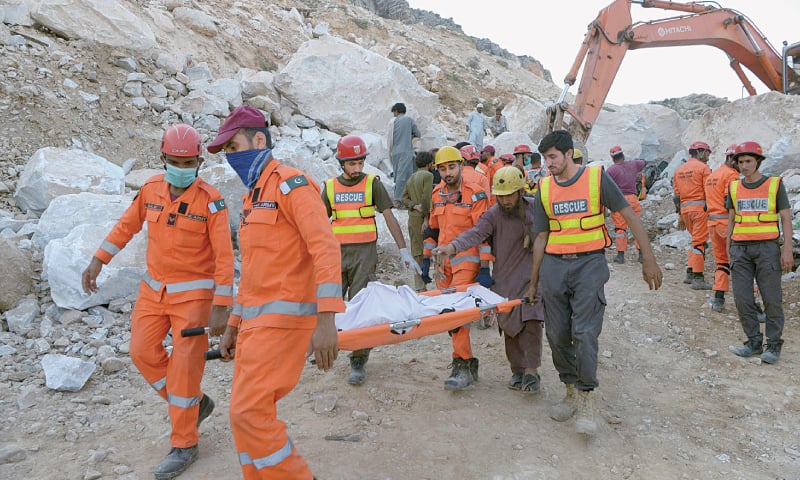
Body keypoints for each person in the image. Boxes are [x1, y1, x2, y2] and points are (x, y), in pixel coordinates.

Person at [81, 124, 234, 479]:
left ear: (199, 161)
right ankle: (194, 405)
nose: (182, 167)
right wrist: (97, 260)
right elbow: (125, 226)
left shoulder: (212, 202)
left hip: (195, 300)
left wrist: (222, 307)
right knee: (142, 352)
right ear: (162, 158)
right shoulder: (150, 189)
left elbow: (225, 258)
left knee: (183, 371)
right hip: (153, 294)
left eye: (189, 161)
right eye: (175, 160)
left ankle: (184, 444)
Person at [208, 105, 346, 479]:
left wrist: (326, 318)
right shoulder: (253, 198)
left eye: (234, 147)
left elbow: (325, 248)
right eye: (226, 153)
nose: (231, 157)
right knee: (245, 416)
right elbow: (253, 272)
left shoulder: (292, 184)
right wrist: (235, 323)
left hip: (285, 325)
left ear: (258, 140)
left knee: (248, 413)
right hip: (257, 327)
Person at [529, 130, 662, 435]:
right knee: (557, 334)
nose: (548, 164)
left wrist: (648, 258)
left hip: (589, 264)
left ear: (567, 153)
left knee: (585, 333)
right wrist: (533, 281)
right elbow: (540, 237)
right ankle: (570, 390)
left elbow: (629, 215)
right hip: (553, 267)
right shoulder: (544, 188)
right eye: (545, 158)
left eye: (552, 157)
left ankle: (587, 396)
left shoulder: (596, 179)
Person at [434, 167, 545, 393]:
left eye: (509, 195)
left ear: (520, 191)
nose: (505, 200)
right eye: (501, 196)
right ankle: (517, 370)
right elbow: (475, 233)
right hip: (504, 277)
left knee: (532, 321)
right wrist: (452, 247)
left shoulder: (536, 209)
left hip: (532, 275)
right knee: (510, 325)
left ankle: (532, 372)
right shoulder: (494, 214)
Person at [322, 134, 421, 386]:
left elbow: (389, 216)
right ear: (341, 163)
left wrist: (403, 250)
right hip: (335, 253)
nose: (357, 168)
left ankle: (358, 358)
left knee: (361, 305)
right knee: (330, 304)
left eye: (360, 163)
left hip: (365, 254)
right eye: (351, 163)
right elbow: (319, 224)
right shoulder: (330, 187)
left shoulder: (372, 184)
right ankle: (327, 346)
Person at [425, 145, 492, 391]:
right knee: (447, 315)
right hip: (443, 263)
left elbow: (483, 234)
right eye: (442, 169)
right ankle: (467, 361)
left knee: (457, 313)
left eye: (451, 167)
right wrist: (425, 260)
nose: (447, 173)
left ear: (461, 166)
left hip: (467, 260)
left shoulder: (475, 194)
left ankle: (461, 363)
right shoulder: (436, 194)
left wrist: (485, 267)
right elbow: (432, 229)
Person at [726, 141, 793, 364]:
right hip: (740, 249)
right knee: (743, 299)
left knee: (772, 299)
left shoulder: (774, 185)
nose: (744, 166)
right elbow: (731, 219)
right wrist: (728, 248)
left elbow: (785, 217)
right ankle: (753, 342)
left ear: (758, 162)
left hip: (767, 248)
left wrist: (787, 250)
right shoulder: (734, 187)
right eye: (740, 162)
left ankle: (773, 345)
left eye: (748, 161)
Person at [704, 143, 741, 312]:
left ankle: (718, 299)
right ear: (732, 159)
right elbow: (730, 203)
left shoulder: (714, 174)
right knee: (741, 263)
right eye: (739, 161)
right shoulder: (731, 176)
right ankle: (752, 305)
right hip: (727, 224)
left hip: (712, 223)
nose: (742, 166)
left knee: (722, 262)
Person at [673, 141, 713, 290]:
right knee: (699, 243)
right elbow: (709, 190)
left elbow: (676, 196)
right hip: (700, 210)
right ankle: (698, 278)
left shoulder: (679, 170)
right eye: (707, 153)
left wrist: (680, 215)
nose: (708, 156)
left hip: (685, 211)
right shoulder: (703, 168)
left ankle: (690, 273)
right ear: (701, 152)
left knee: (695, 241)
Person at [401, 151, 436, 291]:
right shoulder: (428, 175)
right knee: (428, 250)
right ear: (429, 164)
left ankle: (419, 286)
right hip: (423, 218)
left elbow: (403, 198)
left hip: (412, 219)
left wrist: (413, 205)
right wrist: (426, 218)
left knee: (417, 252)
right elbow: (426, 197)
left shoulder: (411, 178)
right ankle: (425, 285)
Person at [606, 146, 646, 264]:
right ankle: (641, 255)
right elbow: (644, 162)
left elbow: (607, 185)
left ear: (612, 158)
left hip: (619, 200)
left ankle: (620, 255)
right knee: (636, 226)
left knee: (620, 228)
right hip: (633, 199)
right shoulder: (634, 164)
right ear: (622, 155)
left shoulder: (611, 171)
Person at [387, 102, 421, 205]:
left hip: (395, 152)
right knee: (405, 175)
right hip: (406, 151)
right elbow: (418, 134)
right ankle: (398, 199)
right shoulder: (409, 120)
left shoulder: (393, 121)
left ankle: (401, 197)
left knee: (398, 175)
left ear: (396, 111)